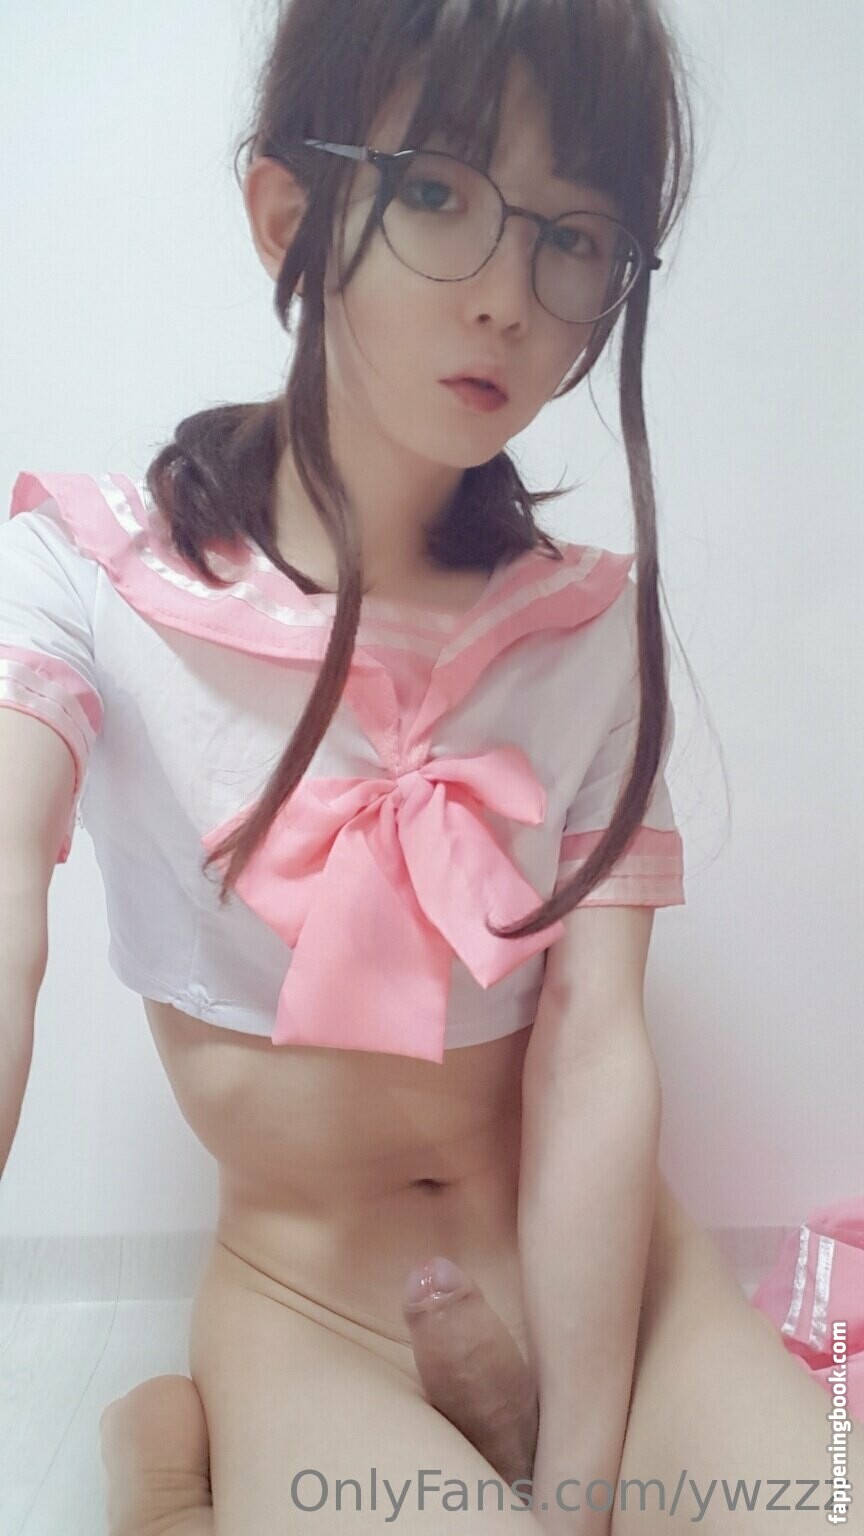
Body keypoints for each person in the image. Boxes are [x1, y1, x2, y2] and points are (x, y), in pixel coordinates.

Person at [2, 2, 860, 1533]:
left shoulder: (584, 626)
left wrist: (582, 1487)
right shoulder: (86, 577)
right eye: (437, 192)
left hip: (615, 1288)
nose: (509, 302)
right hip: (316, 1312)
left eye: (573, 237)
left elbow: (594, 1047)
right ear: (289, 211)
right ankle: (167, 1467)